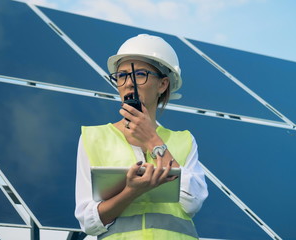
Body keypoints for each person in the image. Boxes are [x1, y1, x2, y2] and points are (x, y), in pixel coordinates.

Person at [75, 34, 208, 240]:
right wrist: (131, 191)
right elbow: (88, 221)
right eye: (121, 75)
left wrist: (152, 140)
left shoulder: (184, 141)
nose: (129, 84)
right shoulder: (92, 138)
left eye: (140, 74)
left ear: (163, 85)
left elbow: (192, 202)